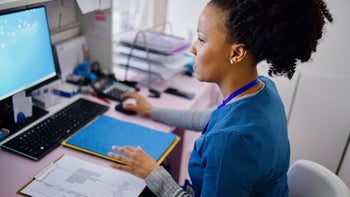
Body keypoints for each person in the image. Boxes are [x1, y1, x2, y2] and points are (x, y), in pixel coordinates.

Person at [108, 0, 333, 196]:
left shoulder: (230, 141)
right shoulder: (263, 90)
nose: (192, 49)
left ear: (236, 53)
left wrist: (152, 173)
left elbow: (225, 131)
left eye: (201, 39)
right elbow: (211, 117)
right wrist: (152, 111)